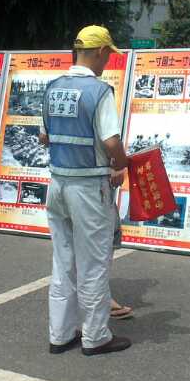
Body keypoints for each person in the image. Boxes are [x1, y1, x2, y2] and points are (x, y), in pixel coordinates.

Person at [43, 25, 131, 355]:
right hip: (89, 187)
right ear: (100, 52)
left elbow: (45, 136)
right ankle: (95, 337)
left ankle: (61, 334)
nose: (108, 62)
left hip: (58, 185)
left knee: (63, 261)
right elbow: (111, 141)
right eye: (108, 55)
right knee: (94, 263)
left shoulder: (53, 87)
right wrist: (121, 163)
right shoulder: (99, 91)